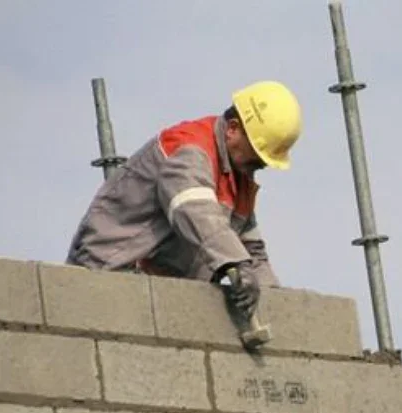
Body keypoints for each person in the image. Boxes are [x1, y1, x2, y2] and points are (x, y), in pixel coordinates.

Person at [66, 80, 303, 318]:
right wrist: (236, 264)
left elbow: (251, 252)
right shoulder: (191, 150)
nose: (260, 165)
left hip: (156, 293)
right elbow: (194, 212)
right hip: (109, 271)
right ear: (232, 129)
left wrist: (275, 304)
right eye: (257, 155)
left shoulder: (239, 177)